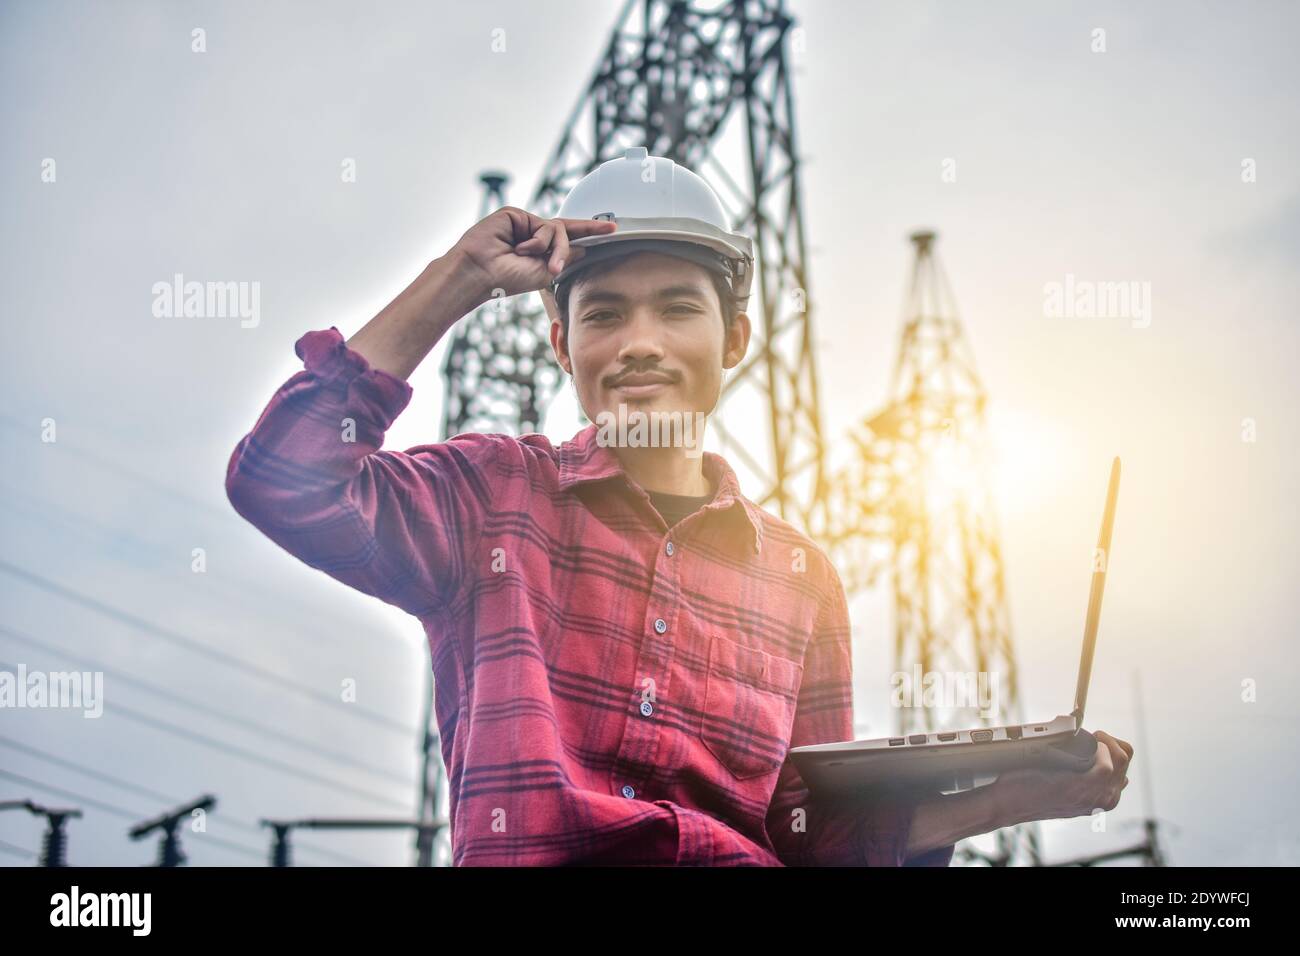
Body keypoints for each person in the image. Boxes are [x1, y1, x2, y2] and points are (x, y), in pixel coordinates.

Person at [225, 148, 1132, 865]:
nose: (640, 345)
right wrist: (458, 276)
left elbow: (813, 839)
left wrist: (1020, 796)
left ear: (735, 338)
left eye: (677, 310)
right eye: (604, 315)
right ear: (560, 345)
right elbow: (285, 480)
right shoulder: (492, 498)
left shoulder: (799, 578)